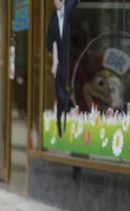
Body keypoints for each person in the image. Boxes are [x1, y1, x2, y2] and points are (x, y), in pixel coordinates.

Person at [47, 0, 80, 137]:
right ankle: (61, 128)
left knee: (65, 88)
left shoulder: (68, 10)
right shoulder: (53, 18)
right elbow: (50, 39)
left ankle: (68, 105)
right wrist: (53, 57)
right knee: (59, 91)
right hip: (59, 61)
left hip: (69, 60)